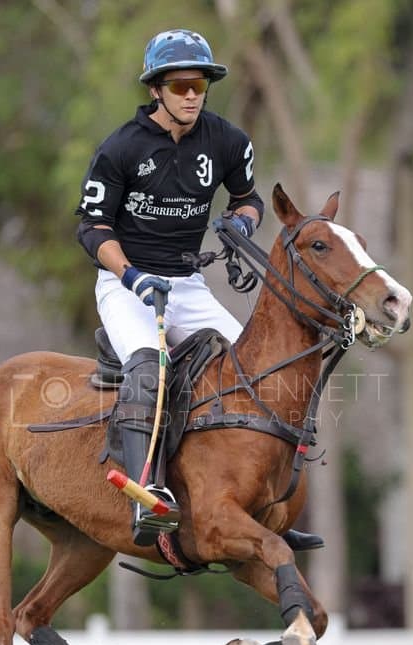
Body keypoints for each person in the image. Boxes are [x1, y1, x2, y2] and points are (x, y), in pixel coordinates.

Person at [75, 29, 322, 553]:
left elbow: (249, 197)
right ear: (156, 90)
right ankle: (148, 497)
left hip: (188, 283)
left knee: (258, 372)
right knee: (148, 367)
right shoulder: (121, 148)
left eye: (200, 85)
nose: (192, 94)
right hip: (127, 283)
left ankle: (271, 504)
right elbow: (93, 229)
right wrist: (133, 276)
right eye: (181, 84)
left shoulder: (227, 141)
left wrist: (241, 222)